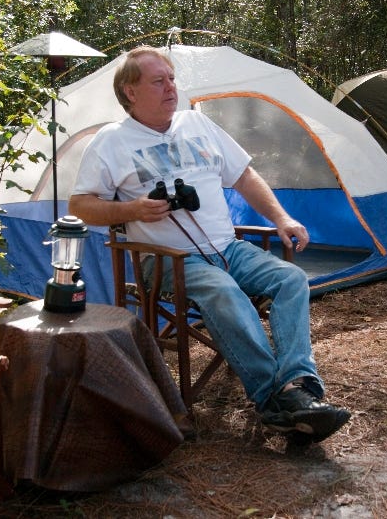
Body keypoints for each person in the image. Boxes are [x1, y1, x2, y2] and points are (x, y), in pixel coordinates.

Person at [68, 45, 350, 443]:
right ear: (130, 92)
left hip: (227, 248)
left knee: (289, 279)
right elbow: (80, 206)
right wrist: (133, 209)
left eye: (171, 78)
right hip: (169, 260)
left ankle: (297, 387)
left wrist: (283, 218)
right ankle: (274, 400)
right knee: (224, 290)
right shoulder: (112, 141)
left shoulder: (198, 125)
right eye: (158, 81)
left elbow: (244, 176)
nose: (171, 87)